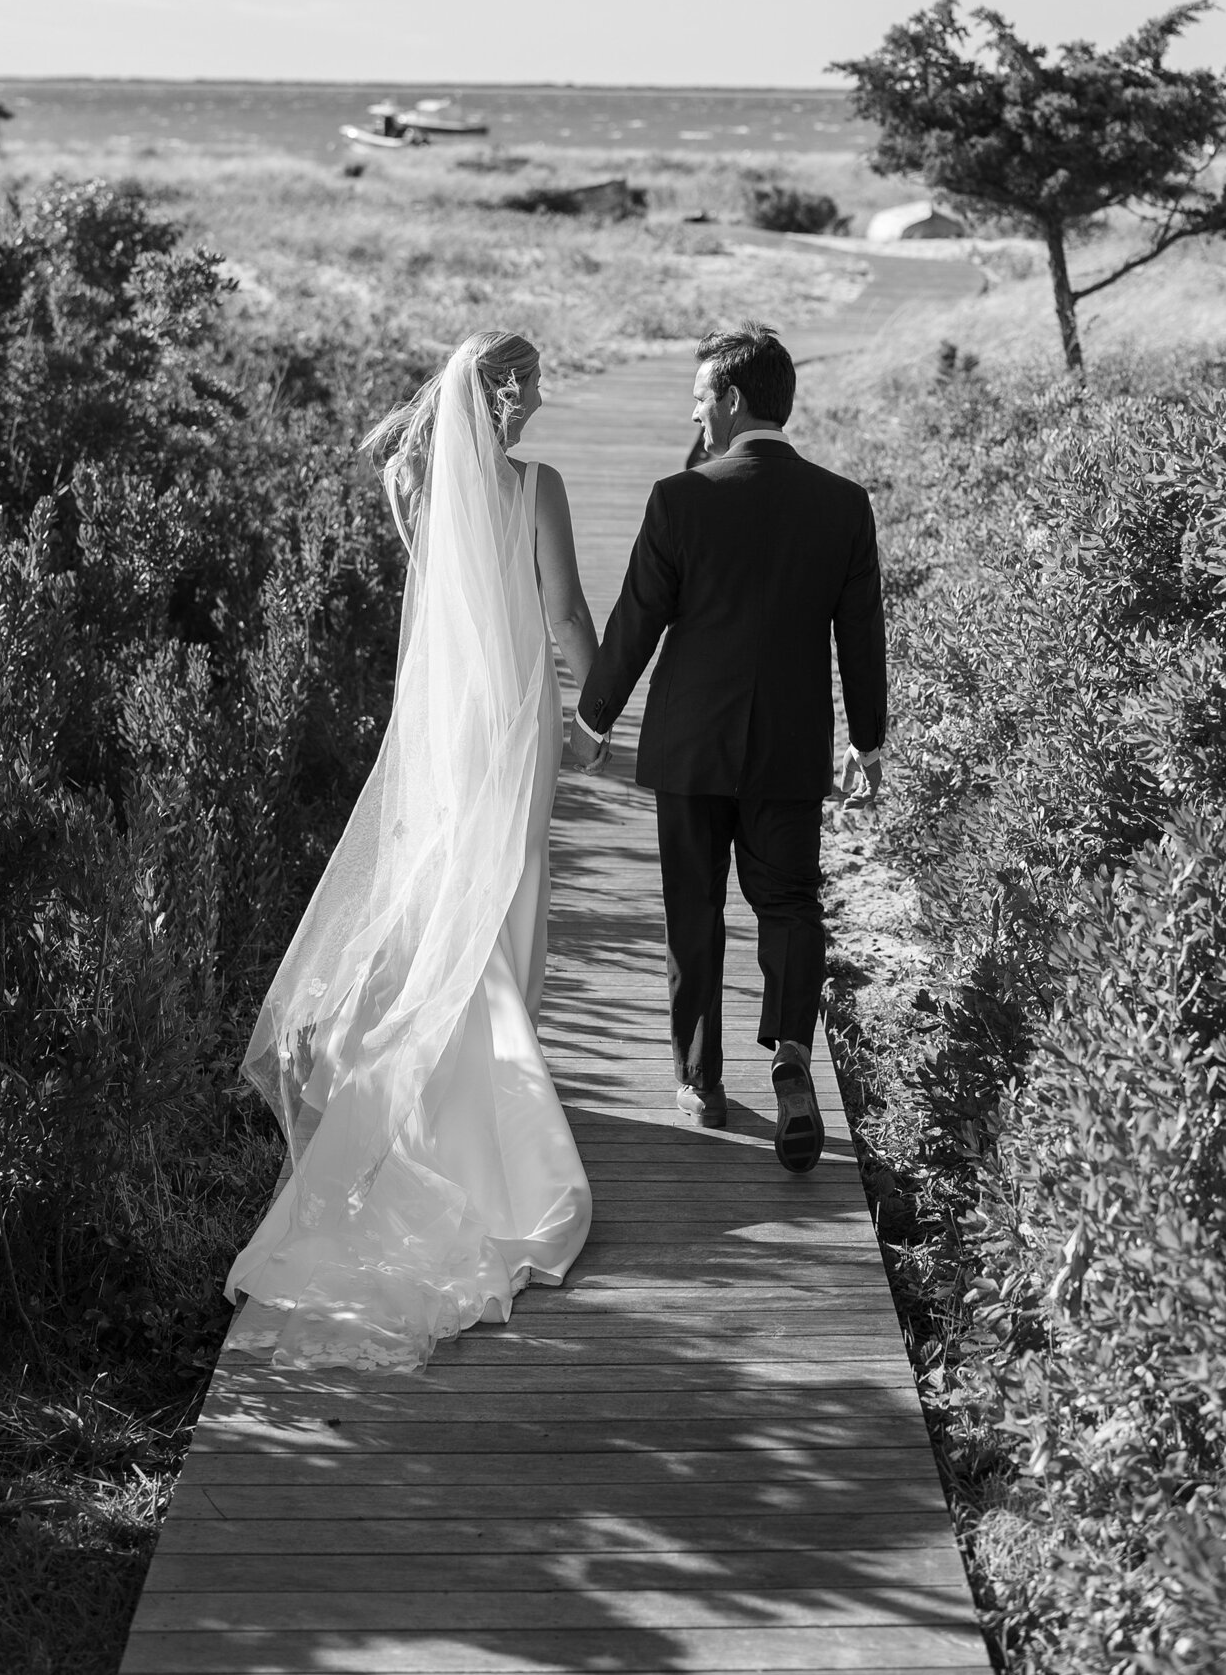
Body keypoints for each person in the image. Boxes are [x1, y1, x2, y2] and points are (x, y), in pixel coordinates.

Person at [225, 331, 597, 1370]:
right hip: (514, 713)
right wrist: (597, 708)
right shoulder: (540, 486)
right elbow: (562, 613)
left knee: (447, 891)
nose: (539, 406)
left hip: (440, 719)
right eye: (532, 391)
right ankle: (493, 1110)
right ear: (507, 394)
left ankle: (422, 1085)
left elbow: (441, 593)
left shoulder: (411, 476)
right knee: (506, 885)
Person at [569, 321, 887, 1172]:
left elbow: (637, 617)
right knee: (788, 903)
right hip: (787, 748)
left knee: (694, 909)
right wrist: (868, 737)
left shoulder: (682, 498)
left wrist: (595, 718)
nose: (696, 415)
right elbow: (862, 633)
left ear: (733, 399)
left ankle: (700, 1081)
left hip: (690, 747)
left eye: (700, 398)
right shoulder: (842, 502)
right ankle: (789, 1055)